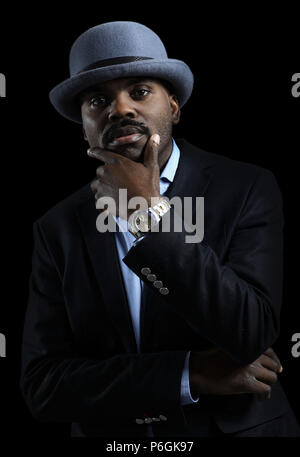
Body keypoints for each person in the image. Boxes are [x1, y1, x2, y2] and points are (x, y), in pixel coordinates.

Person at [20, 21, 300, 437]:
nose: (120, 109)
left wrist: (149, 213)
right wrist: (190, 374)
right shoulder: (56, 228)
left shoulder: (245, 188)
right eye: (98, 100)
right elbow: (43, 386)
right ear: (84, 126)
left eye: (139, 91)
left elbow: (250, 331)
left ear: (173, 106)